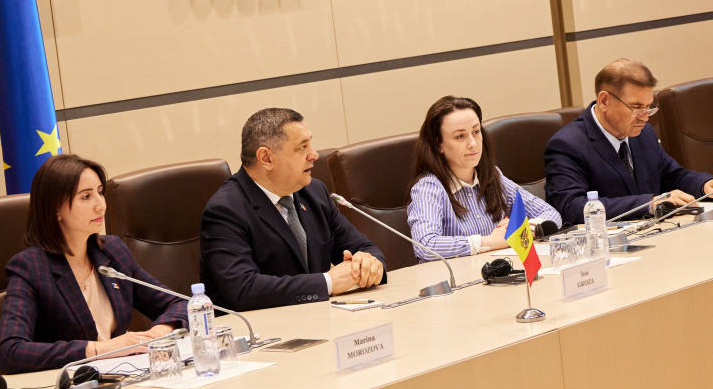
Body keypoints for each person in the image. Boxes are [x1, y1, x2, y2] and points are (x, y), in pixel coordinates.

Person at [0, 155, 187, 374]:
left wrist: (154, 336)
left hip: (125, 375)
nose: (101, 205)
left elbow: (179, 304)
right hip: (72, 386)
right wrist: (103, 349)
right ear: (55, 209)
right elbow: (11, 351)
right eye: (86, 196)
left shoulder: (112, 252)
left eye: (100, 192)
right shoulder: (31, 268)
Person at [199, 108, 386, 311]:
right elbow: (243, 289)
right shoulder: (225, 211)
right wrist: (329, 282)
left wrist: (368, 265)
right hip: (263, 328)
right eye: (302, 147)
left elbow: (365, 248)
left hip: (320, 317)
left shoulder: (314, 192)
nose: (314, 154)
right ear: (266, 158)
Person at [545, 58, 713, 224]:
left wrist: (704, 185)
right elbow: (570, 207)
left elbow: (672, 176)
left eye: (648, 107)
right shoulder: (567, 145)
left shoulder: (644, 133)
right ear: (604, 101)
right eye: (637, 107)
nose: (645, 117)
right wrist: (649, 204)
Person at [407, 95, 561, 260]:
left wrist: (523, 230)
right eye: (460, 136)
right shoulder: (428, 188)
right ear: (438, 144)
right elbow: (426, 246)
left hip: (496, 270)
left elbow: (550, 214)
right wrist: (490, 241)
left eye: (476, 132)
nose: (473, 143)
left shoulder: (491, 175)